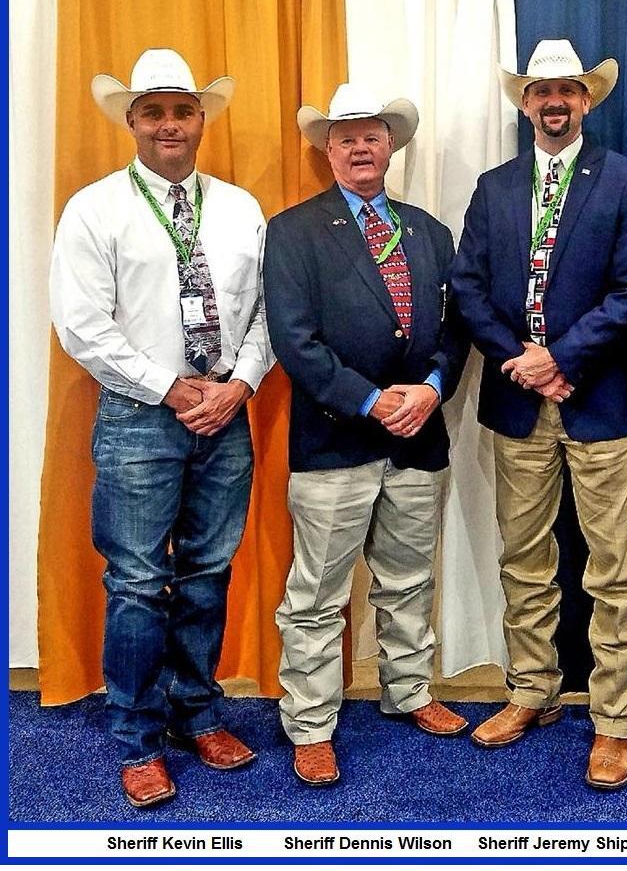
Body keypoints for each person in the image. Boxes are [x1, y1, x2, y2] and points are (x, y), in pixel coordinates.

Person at [50, 48, 275, 808]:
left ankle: (198, 712)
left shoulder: (242, 208)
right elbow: (81, 325)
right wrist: (172, 388)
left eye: (183, 110)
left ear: (201, 119)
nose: (170, 124)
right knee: (140, 583)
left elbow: (267, 314)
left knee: (209, 573)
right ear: (133, 121)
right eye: (154, 112)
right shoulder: (95, 208)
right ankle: (137, 738)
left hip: (226, 417)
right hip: (140, 419)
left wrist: (239, 385)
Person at [450, 39, 627, 790]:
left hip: (599, 403)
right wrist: (520, 358)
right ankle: (531, 690)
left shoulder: (626, 182)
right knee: (525, 561)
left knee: (614, 570)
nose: (554, 102)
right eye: (541, 91)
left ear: (586, 100)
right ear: (524, 102)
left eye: (566, 89)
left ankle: (614, 721)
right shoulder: (495, 186)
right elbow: (466, 287)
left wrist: (562, 359)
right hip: (516, 403)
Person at [263, 83, 470, 786]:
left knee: (409, 582)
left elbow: (455, 330)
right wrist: (374, 401)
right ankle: (312, 723)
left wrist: (433, 388)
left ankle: (409, 691)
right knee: (318, 596)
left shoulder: (430, 232)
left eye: (371, 135)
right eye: (345, 135)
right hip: (334, 443)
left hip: (419, 440)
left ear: (390, 146)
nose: (359, 146)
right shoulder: (291, 233)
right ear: (328, 150)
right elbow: (295, 341)